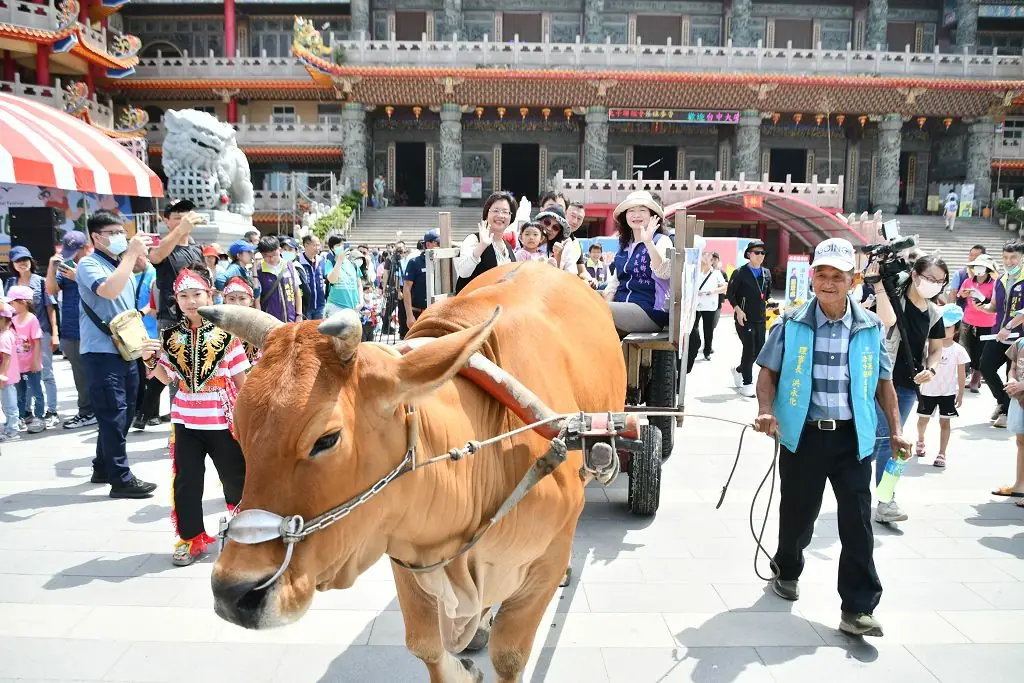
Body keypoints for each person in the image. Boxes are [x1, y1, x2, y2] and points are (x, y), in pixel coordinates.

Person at [753, 237, 910, 639]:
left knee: (857, 523)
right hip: (803, 438)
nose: (828, 282)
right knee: (798, 517)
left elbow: (885, 384)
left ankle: (858, 607)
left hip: (852, 441)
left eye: (837, 276)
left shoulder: (871, 327)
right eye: (821, 274)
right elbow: (767, 373)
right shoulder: (790, 322)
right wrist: (766, 410)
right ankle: (786, 568)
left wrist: (895, 431)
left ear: (853, 280)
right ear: (811, 277)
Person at [141, 266, 248, 566]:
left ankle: (245, 531)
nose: (190, 301)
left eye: (196, 294)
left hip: (223, 420)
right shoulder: (170, 337)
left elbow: (243, 383)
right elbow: (164, 378)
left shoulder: (229, 335)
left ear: (210, 295)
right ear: (176, 300)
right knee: (186, 482)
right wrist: (149, 360)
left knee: (235, 476)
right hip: (185, 422)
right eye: (183, 295)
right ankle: (191, 538)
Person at [77, 211, 160, 498]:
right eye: (112, 233)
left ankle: (102, 465)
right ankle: (121, 479)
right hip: (100, 352)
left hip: (126, 349)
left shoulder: (117, 263)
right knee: (113, 413)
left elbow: (142, 273)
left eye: (120, 231)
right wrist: (130, 255)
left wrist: (138, 257)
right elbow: (109, 292)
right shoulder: (88, 264)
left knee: (125, 413)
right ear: (96, 237)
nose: (119, 237)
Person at [869, 254, 948, 523]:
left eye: (940, 281)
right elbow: (886, 322)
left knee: (891, 441)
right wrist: (879, 284)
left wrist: (932, 368)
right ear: (914, 275)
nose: (934, 284)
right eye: (929, 278)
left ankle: (884, 498)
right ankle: (883, 499)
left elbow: (937, 349)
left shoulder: (935, 313)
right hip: (878, 381)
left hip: (905, 387)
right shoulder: (895, 299)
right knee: (885, 439)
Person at [45, 231, 95, 429]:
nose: (72, 255)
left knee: (98, 374)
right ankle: (86, 411)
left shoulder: (93, 264)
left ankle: (97, 411)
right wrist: (51, 267)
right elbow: (51, 290)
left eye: (75, 251)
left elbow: (103, 291)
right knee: (80, 375)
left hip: (92, 328)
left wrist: (78, 277)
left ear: (85, 247)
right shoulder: (64, 266)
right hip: (71, 329)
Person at [603, 191, 672, 335]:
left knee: (592, 308)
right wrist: (605, 305)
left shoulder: (661, 240)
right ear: (625, 217)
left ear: (652, 215)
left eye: (642, 210)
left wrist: (648, 242)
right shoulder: (625, 245)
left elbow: (664, 271)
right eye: (631, 211)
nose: (636, 215)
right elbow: (614, 283)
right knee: (583, 298)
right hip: (622, 307)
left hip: (649, 311)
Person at [6, 246, 58, 427]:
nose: (22, 263)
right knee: (22, 375)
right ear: (12, 263)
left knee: (46, 373)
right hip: (16, 337)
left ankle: (51, 411)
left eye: (25, 259)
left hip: (40, 333)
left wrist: (55, 333)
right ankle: (26, 413)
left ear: (31, 261)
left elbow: (50, 308)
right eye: (18, 260)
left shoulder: (41, 281)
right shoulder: (10, 283)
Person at [914, 304, 968, 468]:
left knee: (945, 423)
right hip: (928, 391)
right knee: (922, 420)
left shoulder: (958, 350)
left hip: (947, 393)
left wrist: (960, 393)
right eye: (941, 325)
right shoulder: (928, 347)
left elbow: (962, 373)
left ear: (956, 329)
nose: (944, 329)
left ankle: (942, 453)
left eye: (949, 326)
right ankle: (921, 440)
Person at [977, 240, 1024, 429]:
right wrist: (982, 305)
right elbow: (995, 307)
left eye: (1013, 257)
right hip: (998, 334)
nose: (1009, 261)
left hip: (1019, 338)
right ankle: (1002, 402)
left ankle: (1005, 412)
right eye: (1005, 257)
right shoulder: (1001, 279)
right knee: (985, 366)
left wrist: (1010, 327)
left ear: (1021, 257)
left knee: (1010, 374)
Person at [727, 240, 772, 398]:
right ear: (749, 254)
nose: (760, 256)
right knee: (749, 349)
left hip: (760, 318)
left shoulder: (766, 273)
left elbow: (767, 295)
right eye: (757, 253)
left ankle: (739, 370)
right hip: (744, 318)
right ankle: (747, 383)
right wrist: (738, 310)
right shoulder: (740, 272)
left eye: (763, 253)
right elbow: (730, 293)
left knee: (759, 351)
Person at [455, 191, 518, 294]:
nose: (500, 215)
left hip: (498, 303)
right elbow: (463, 273)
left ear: (511, 217)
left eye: (505, 212)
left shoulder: (507, 246)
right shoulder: (474, 239)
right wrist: (481, 246)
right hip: (472, 302)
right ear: (486, 213)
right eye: (495, 210)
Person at [956, 253, 998, 393]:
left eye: (982, 267)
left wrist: (983, 298)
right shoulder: (968, 281)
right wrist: (965, 294)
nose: (978, 269)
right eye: (976, 266)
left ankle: (976, 378)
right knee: (969, 348)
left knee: (981, 351)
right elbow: (960, 294)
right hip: (968, 320)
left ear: (987, 269)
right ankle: (974, 375)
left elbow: (995, 302)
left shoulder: (994, 283)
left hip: (987, 322)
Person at [7, 285, 44, 433]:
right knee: (20, 393)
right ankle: (20, 417)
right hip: (18, 366)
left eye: (13, 302)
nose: (11, 305)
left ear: (23, 302)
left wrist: (35, 361)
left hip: (31, 364)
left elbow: (36, 341)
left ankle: (40, 417)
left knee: (36, 392)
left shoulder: (32, 319)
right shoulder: (12, 320)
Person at [132, 254, 162, 431]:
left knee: (154, 374)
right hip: (136, 333)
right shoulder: (131, 275)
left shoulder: (154, 275)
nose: (133, 262)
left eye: (136, 257)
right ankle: (142, 411)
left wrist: (140, 314)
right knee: (142, 374)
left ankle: (153, 414)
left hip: (151, 331)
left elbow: (153, 305)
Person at [688, 250, 729, 371]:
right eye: (704, 257)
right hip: (695, 305)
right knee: (693, 328)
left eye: (708, 258)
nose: (705, 260)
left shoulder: (716, 273)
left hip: (710, 305)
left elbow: (725, 286)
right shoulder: (694, 271)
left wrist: (713, 291)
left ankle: (707, 350)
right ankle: (694, 347)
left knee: (708, 329)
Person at [256, 235, 303, 323]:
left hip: (290, 319)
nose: (271, 258)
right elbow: (257, 299)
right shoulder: (258, 271)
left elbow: (297, 292)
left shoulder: (289, 266)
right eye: (266, 255)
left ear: (280, 250)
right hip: (269, 322)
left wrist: (299, 315)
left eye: (274, 254)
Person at [403, 229, 440, 329]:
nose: (441, 246)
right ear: (428, 244)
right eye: (438, 243)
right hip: (419, 313)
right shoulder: (414, 262)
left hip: (438, 313)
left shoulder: (445, 261)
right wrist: (409, 316)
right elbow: (406, 289)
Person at [222, 277, 262, 365]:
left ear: (251, 301)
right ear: (225, 300)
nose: (237, 303)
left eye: (242, 299)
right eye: (232, 299)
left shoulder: (260, 326)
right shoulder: (216, 326)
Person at [325, 242, 362, 317]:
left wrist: (361, 303)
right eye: (338, 245)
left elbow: (359, 285)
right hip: (335, 308)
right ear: (332, 248)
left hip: (352, 308)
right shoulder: (330, 263)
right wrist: (339, 260)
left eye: (343, 245)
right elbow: (332, 280)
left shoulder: (353, 264)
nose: (341, 247)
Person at [0, 303, 20, 442]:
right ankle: (9, 425)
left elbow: (6, 358)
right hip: (7, 375)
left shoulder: (5, 337)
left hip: (6, 376)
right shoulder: (7, 334)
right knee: (7, 403)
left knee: (9, 404)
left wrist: (1, 376)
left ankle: (13, 429)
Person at [299, 235, 328, 320]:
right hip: (305, 306)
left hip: (320, 305)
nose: (318, 248)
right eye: (315, 245)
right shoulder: (298, 261)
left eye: (319, 245)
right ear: (306, 245)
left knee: (319, 331)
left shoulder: (322, 260)